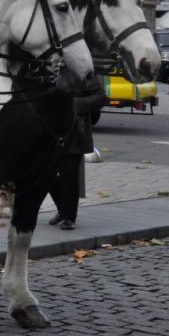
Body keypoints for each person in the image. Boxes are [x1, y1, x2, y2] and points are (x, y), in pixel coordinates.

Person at [49, 78, 106, 230]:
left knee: (69, 175)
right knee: (46, 174)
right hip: (49, 131)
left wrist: (73, 104)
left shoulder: (83, 70)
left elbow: (100, 97)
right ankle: (62, 209)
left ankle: (69, 217)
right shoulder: (49, 67)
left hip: (75, 132)